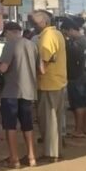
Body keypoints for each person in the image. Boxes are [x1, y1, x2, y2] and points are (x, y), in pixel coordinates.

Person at [0, 21, 39, 168]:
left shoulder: (10, 44)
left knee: (10, 126)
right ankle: (31, 157)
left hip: (11, 91)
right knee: (27, 125)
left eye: (5, 34)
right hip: (28, 91)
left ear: (8, 32)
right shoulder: (32, 45)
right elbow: (40, 68)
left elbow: (4, 68)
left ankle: (14, 159)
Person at [33, 10, 67, 162]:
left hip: (49, 84)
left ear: (43, 22)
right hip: (57, 82)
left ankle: (51, 154)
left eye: (34, 23)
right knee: (54, 120)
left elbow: (43, 65)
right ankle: (55, 151)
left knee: (49, 121)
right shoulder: (57, 33)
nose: (33, 26)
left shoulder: (47, 37)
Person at [62, 18, 86, 138]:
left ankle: (78, 130)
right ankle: (85, 128)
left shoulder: (76, 44)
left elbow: (75, 62)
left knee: (78, 105)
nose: (66, 36)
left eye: (66, 33)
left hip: (77, 78)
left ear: (70, 30)